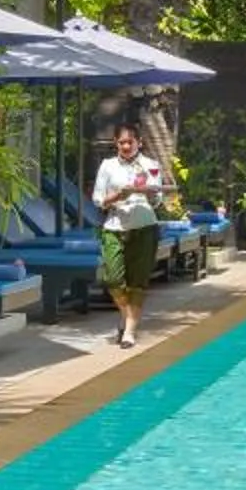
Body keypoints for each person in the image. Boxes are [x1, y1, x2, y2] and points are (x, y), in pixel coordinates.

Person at [92, 124, 174, 346]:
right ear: (116, 143)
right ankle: (128, 316)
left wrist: (148, 191)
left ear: (139, 142)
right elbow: (98, 200)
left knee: (138, 281)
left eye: (130, 142)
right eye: (122, 142)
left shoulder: (150, 165)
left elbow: (157, 200)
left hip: (144, 227)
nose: (126, 146)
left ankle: (129, 331)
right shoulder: (107, 166)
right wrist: (118, 194)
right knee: (113, 278)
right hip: (115, 226)